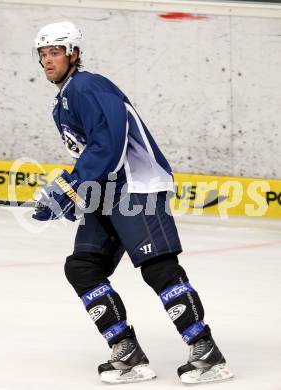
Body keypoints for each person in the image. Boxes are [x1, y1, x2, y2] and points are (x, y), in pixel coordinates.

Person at [32, 21, 233, 385]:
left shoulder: (87, 86)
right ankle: (127, 352)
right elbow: (92, 156)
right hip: (109, 191)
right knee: (82, 268)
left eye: (55, 52)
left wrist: (72, 186)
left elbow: (108, 145)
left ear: (73, 53)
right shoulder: (62, 102)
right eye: (43, 54)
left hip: (136, 186)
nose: (48, 60)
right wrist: (65, 197)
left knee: (158, 268)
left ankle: (205, 351)